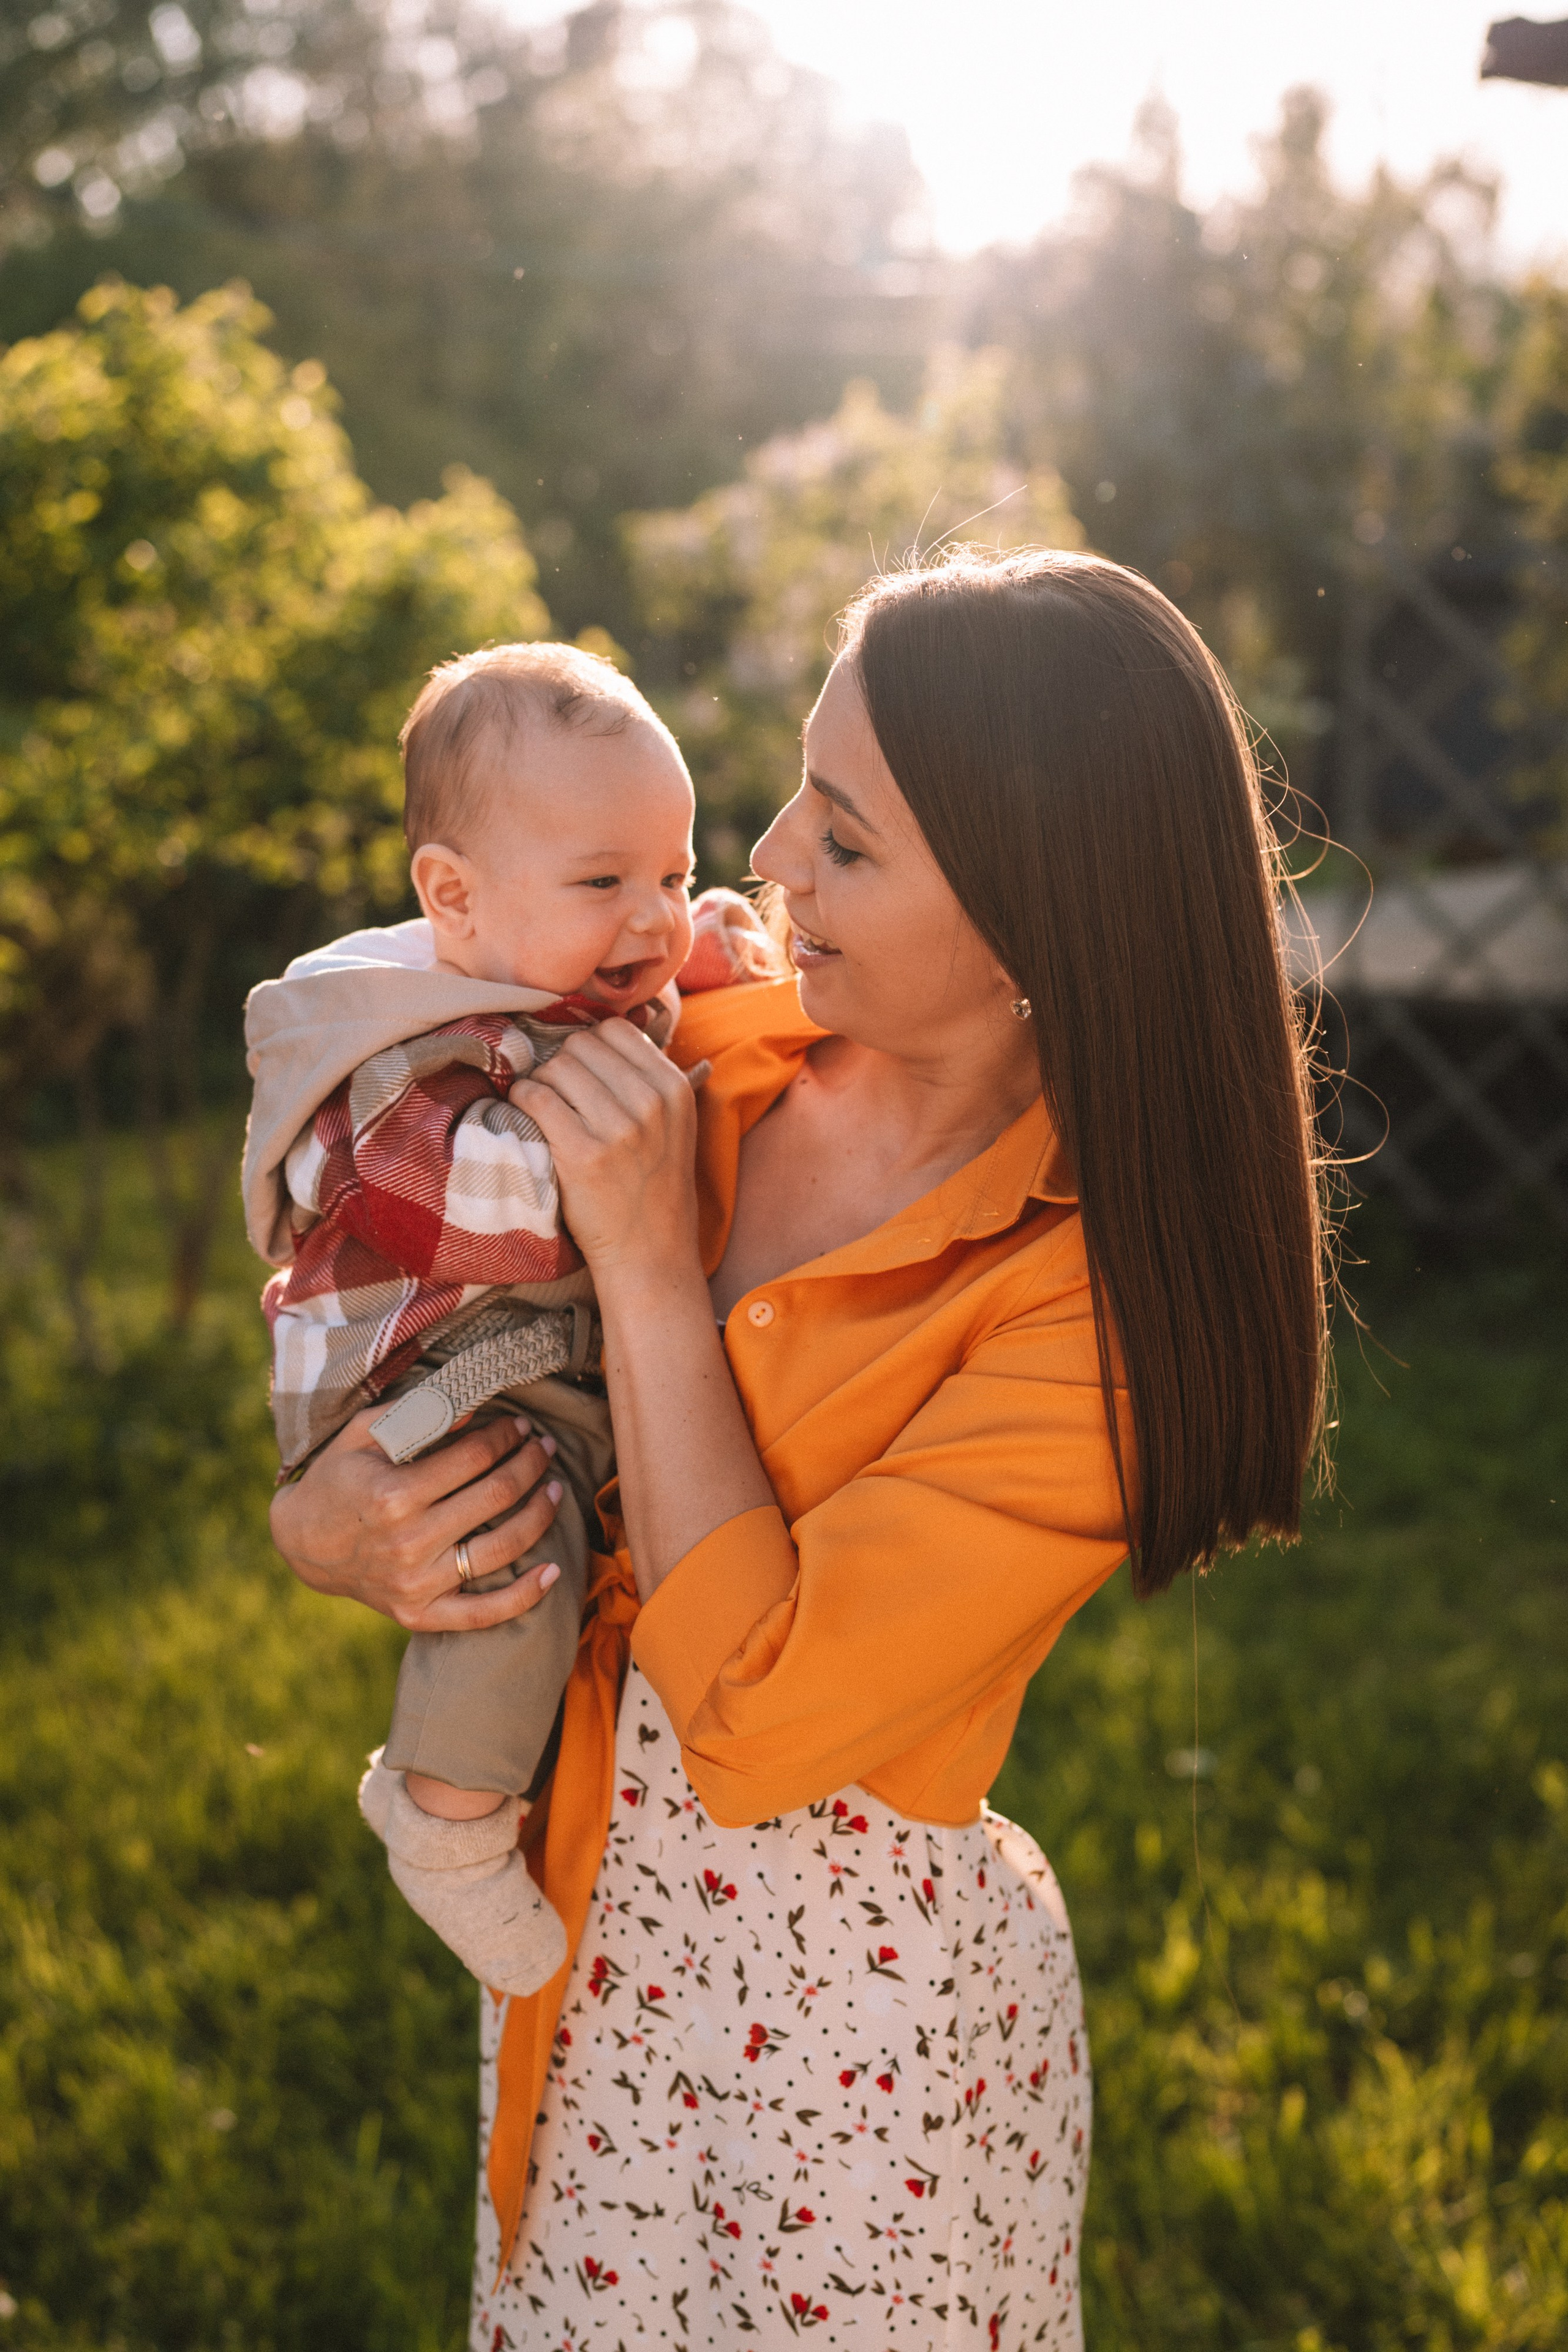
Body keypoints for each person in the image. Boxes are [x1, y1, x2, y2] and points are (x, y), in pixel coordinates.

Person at [271, 548, 1327, 2349]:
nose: (764, 859)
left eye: (844, 837)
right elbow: (396, 1296)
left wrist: (646, 1268)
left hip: (853, 2052)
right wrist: (324, 1518)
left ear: (1033, 910)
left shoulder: (1088, 1312)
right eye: (793, 795)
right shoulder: (698, 1052)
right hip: (581, 1938)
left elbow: (756, 1722)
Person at [243, 639, 758, 1997]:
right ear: (454, 897)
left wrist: (694, 960)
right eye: (605, 884)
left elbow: (641, 984)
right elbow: (492, 1211)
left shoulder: (553, 979)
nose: (651, 922)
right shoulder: (394, 1051)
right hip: (421, 1388)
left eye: (674, 877)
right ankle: (445, 1822)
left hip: (512, 1355)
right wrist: (657, 1115)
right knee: (514, 1561)